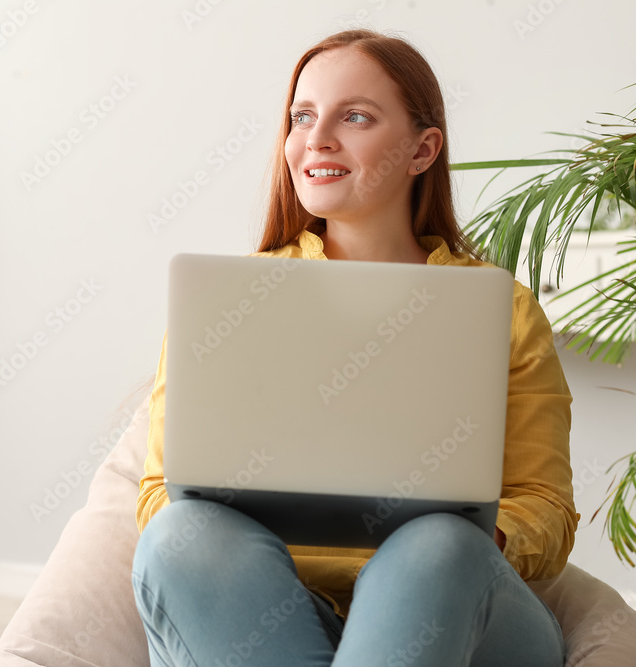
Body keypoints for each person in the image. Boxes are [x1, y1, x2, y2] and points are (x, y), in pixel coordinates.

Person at [131, 28, 578, 666]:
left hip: (459, 618)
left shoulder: (501, 308)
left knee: (436, 547)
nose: (317, 139)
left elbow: (546, 506)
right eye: (302, 117)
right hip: (274, 620)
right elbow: (158, 497)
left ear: (423, 151)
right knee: (179, 535)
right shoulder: (228, 303)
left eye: (356, 117)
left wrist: (459, 540)